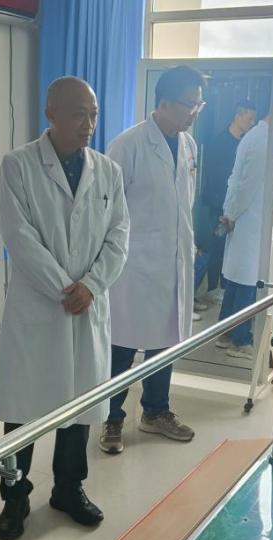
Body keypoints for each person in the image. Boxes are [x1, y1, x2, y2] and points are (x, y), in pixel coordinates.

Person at [0, 77, 129, 540]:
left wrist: (91, 285)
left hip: (87, 305)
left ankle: (69, 489)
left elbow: (119, 236)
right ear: (51, 112)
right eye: (78, 114)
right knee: (24, 409)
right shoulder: (18, 166)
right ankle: (14, 497)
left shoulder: (108, 171)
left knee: (81, 402)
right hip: (39, 307)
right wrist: (64, 288)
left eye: (93, 114)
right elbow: (18, 236)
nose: (88, 124)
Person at [99, 65, 205, 455]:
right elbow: (105, 211)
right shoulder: (126, 146)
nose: (194, 113)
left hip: (174, 262)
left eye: (198, 105)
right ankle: (111, 417)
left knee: (167, 339)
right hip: (133, 266)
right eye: (189, 104)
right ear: (163, 103)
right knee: (122, 346)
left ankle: (156, 411)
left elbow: (184, 205)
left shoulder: (189, 146)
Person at [216, 112, 272, 360]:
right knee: (246, 282)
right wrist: (231, 214)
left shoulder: (255, 137)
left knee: (237, 280)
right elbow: (247, 185)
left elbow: (238, 182)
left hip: (244, 219)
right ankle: (241, 339)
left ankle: (226, 332)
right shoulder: (262, 140)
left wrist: (230, 212)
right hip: (248, 219)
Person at [194, 99, 256, 314]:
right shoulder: (220, 143)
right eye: (249, 118)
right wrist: (223, 209)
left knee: (219, 252)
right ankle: (189, 297)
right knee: (206, 251)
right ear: (238, 115)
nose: (252, 123)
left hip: (229, 209)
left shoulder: (243, 143)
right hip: (215, 207)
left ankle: (212, 289)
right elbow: (215, 178)